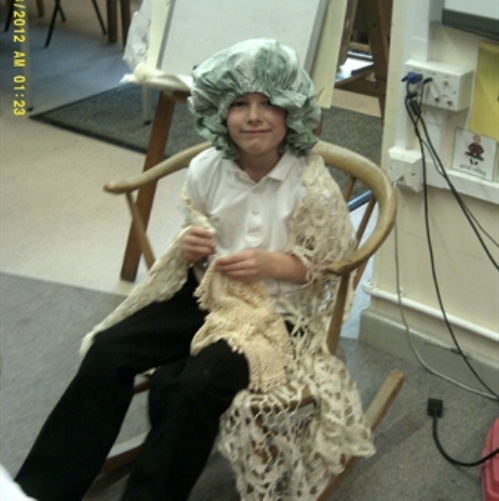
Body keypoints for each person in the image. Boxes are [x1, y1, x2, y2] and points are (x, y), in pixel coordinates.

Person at [15, 39, 374, 501]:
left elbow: (327, 268)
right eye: (239, 104)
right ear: (219, 112)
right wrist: (191, 245)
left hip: (274, 318)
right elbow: (197, 231)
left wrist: (271, 263)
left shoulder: (310, 185)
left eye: (268, 103)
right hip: (208, 295)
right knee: (108, 349)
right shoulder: (207, 168)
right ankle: (41, 489)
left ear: (292, 110)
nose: (254, 116)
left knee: (194, 386)